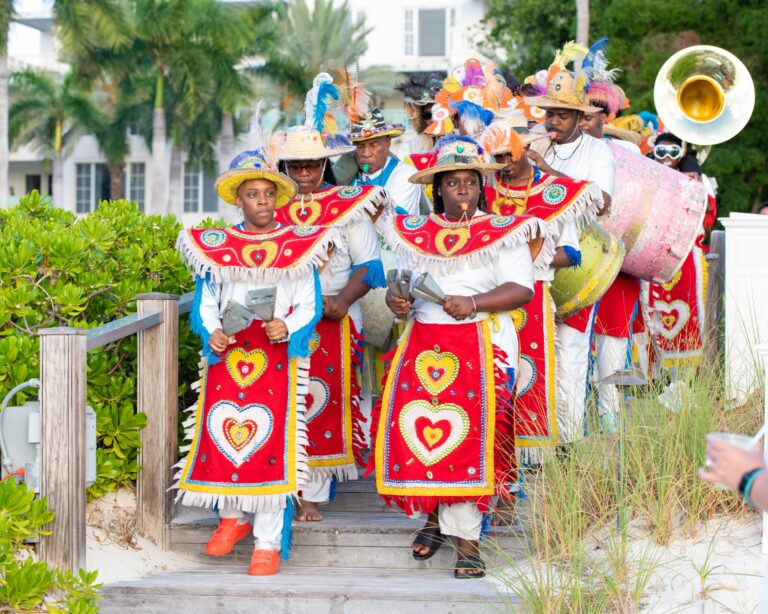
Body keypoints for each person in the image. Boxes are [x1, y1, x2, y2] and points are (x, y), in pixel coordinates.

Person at [368, 135, 543, 578]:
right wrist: (397, 301)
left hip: (484, 343)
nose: (462, 189)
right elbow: (401, 285)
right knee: (423, 430)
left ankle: (467, 541)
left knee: (471, 438)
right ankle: (434, 516)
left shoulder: (503, 230)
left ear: (481, 187)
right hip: (424, 342)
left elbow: (522, 290)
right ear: (438, 189)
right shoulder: (416, 233)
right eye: (452, 182)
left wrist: (475, 302)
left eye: (470, 182)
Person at [174, 149, 336, 576]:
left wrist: (288, 325)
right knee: (223, 434)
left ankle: (267, 542)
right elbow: (207, 302)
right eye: (252, 194)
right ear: (238, 200)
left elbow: (309, 304)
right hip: (227, 354)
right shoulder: (218, 249)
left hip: (278, 356)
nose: (262, 200)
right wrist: (212, 331)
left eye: (267, 193)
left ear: (277, 198)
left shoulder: (298, 246)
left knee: (272, 446)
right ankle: (232, 518)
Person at [274, 124, 390, 522]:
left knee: (325, 401)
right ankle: (282, 484)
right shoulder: (272, 207)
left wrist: (342, 300)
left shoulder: (349, 206)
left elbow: (369, 265)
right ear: (285, 167)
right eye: (296, 166)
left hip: (337, 317)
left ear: (325, 164)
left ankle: (312, 494)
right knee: (285, 400)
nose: (304, 173)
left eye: (311, 165)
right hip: (284, 319)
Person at [482, 115, 601, 466]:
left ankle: (533, 455)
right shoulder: (484, 190)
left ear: (524, 151)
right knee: (493, 369)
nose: (503, 163)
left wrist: (528, 261)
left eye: (508, 155)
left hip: (533, 294)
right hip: (490, 295)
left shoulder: (553, 192)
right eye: (497, 157)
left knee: (532, 371)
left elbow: (571, 253)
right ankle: (493, 451)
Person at [523, 64, 616, 444]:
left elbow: (603, 202)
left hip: (577, 263)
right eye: (550, 114)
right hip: (531, 264)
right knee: (533, 355)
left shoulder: (597, 151)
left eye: (562, 115)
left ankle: (569, 441)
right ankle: (535, 441)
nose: (554, 122)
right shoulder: (536, 144)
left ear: (580, 117)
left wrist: (548, 173)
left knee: (572, 353)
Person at [577, 63, 643, 432]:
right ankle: (574, 412)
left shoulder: (625, 152)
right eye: (579, 115)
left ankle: (608, 411)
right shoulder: (563, 151)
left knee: (612, 334)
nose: (584, 122)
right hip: (575, 257)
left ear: (606, 116)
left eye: (591, 115)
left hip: (616, 258)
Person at [335, 108, 422, 215]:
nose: (366, 154)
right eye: (360, 145)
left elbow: (391, 220)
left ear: (388, 143)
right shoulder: (347, 173)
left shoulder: (406, 175)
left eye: (374, 145)